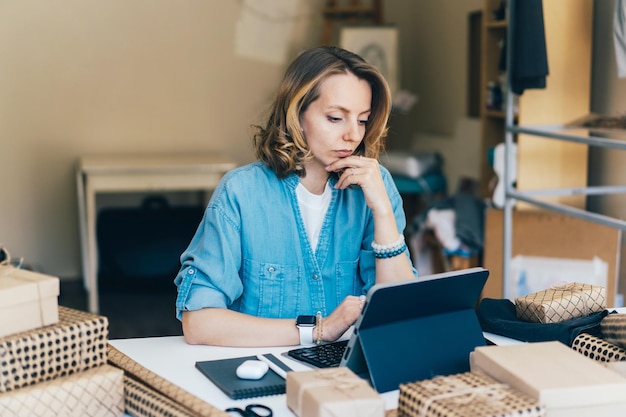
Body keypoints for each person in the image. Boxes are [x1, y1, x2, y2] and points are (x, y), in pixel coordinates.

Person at [174, 45, 417, 348]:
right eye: (335, 118)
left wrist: (382, 211)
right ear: (297, 114)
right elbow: (198, 323)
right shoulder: (241, 193)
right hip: (260, 368)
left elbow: (402, 316)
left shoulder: (377, 188)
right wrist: (317, 330)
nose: (353, 135)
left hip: (346, 373)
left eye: (362, 119)